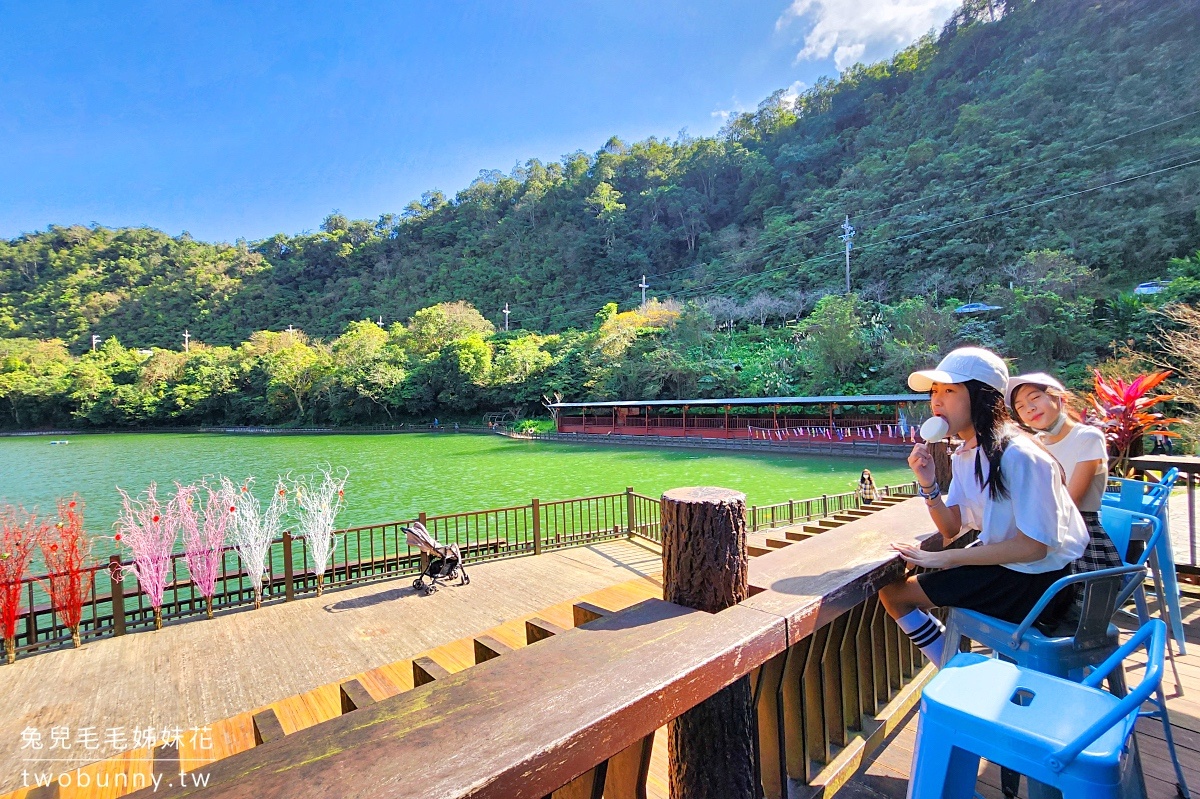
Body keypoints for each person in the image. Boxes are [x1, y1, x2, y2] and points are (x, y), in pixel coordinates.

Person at [879, 347, 1089, 665]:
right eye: (935, 392)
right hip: (1015, 572)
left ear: (982, 396)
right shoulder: (967, 453)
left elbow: (1034, 547)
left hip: (1041, 585)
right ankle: (958, 668)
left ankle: (955, 671)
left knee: (895, 594)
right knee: (895, 592)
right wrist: (927, 483)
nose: (937, 401)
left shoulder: (1019, 454)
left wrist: (944, 557)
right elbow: (951, 527)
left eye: (949, 390)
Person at [1007, 373, 1123, 574]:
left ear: (1059, 398)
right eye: (1020, 407)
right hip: (1038, 532)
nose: (1030, 408)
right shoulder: (1032, 444)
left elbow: (1071, 501)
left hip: (1079, 536)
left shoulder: (1088, 437)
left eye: (1034, 398)